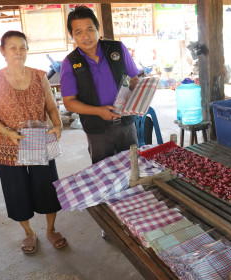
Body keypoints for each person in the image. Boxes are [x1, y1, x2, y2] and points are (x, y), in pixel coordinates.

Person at [0, 31, 67, 254]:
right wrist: (8, 132)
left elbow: (51, 107)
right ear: (2, 51)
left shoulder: (40, 77)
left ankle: (51, 229)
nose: (19, 52)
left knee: (47, 187)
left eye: (23, 48)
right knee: (16, 192)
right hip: (9, 146)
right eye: (13, 48)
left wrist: (57, 126)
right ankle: (29, 233)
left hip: (39, 142)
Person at [60, 6, 139, 239]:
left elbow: (134, 79)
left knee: (132, 169)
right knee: (104, 176)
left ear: (98, 29)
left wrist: (139, 92)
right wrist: (98, 111)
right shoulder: (70, 62)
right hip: (97, 130)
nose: (86, 36)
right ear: (72, 35)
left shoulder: (116, 49)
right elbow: (70, 102)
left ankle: (135, 215)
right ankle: (111, 223)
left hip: (126, 124)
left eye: (90, 29)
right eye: (79, 32)